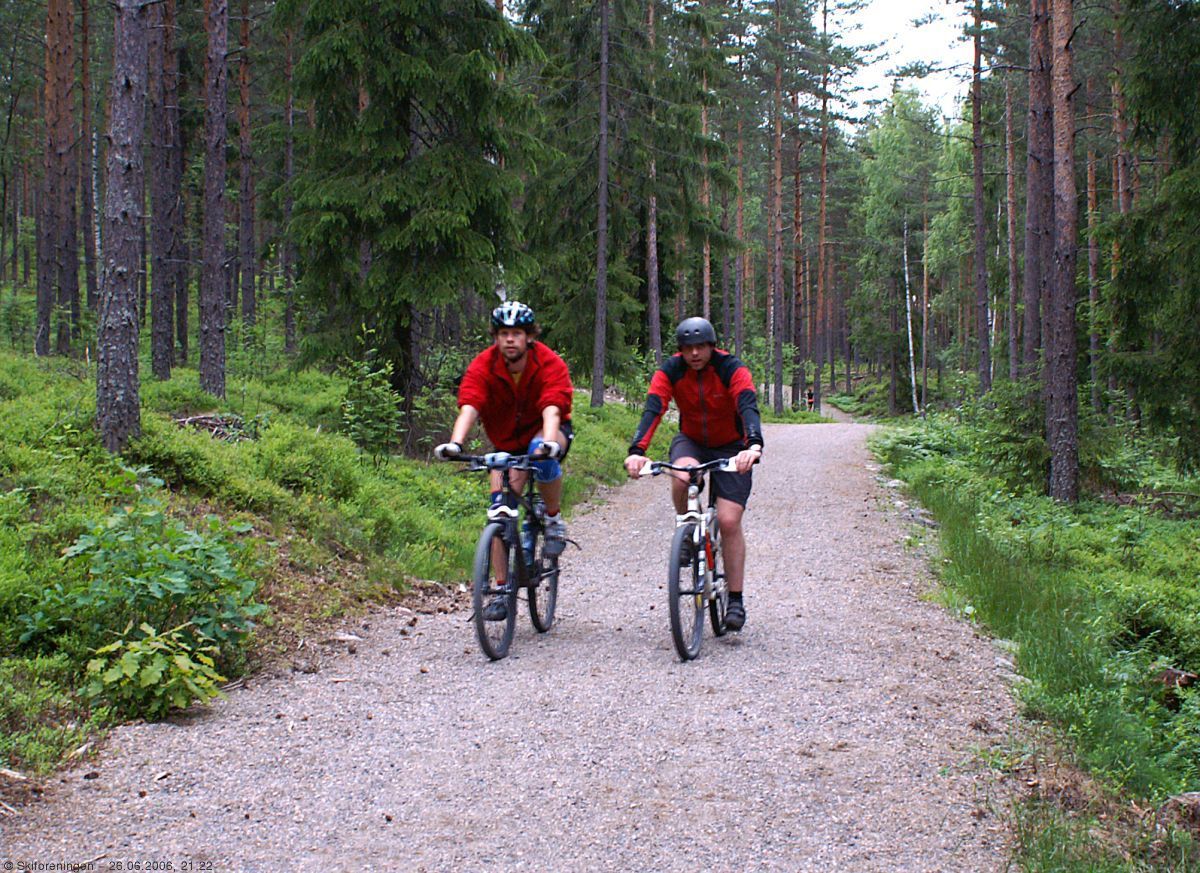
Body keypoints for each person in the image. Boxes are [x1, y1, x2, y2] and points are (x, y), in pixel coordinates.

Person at [435, 301, 574, 621]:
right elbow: (470, 405)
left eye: (516, 333)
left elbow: (552, 406)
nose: (510, 339)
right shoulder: (484, 365)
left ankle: (552, 518)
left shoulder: (548, 362)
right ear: (495, 338)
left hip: (546, 430)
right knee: (499, 511)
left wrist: (549, 442)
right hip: (507, 442)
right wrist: (456, 443)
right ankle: (500, 590)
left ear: (528, 337)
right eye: (503, 334)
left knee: (542, 456)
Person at [623, 317, 763, 631]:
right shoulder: (671, 370)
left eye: (701, 347)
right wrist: (637, 450)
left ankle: (736, 599)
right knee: (681, 476)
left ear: (712, 347)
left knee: (728, 520)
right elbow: (654, 407)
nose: (695, 354)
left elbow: (747, 404)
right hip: (693, 442)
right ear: (680, 351)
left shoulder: (731, 368)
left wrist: (753, 444)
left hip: (732, 446)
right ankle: (688, 529)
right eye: (688, 348)